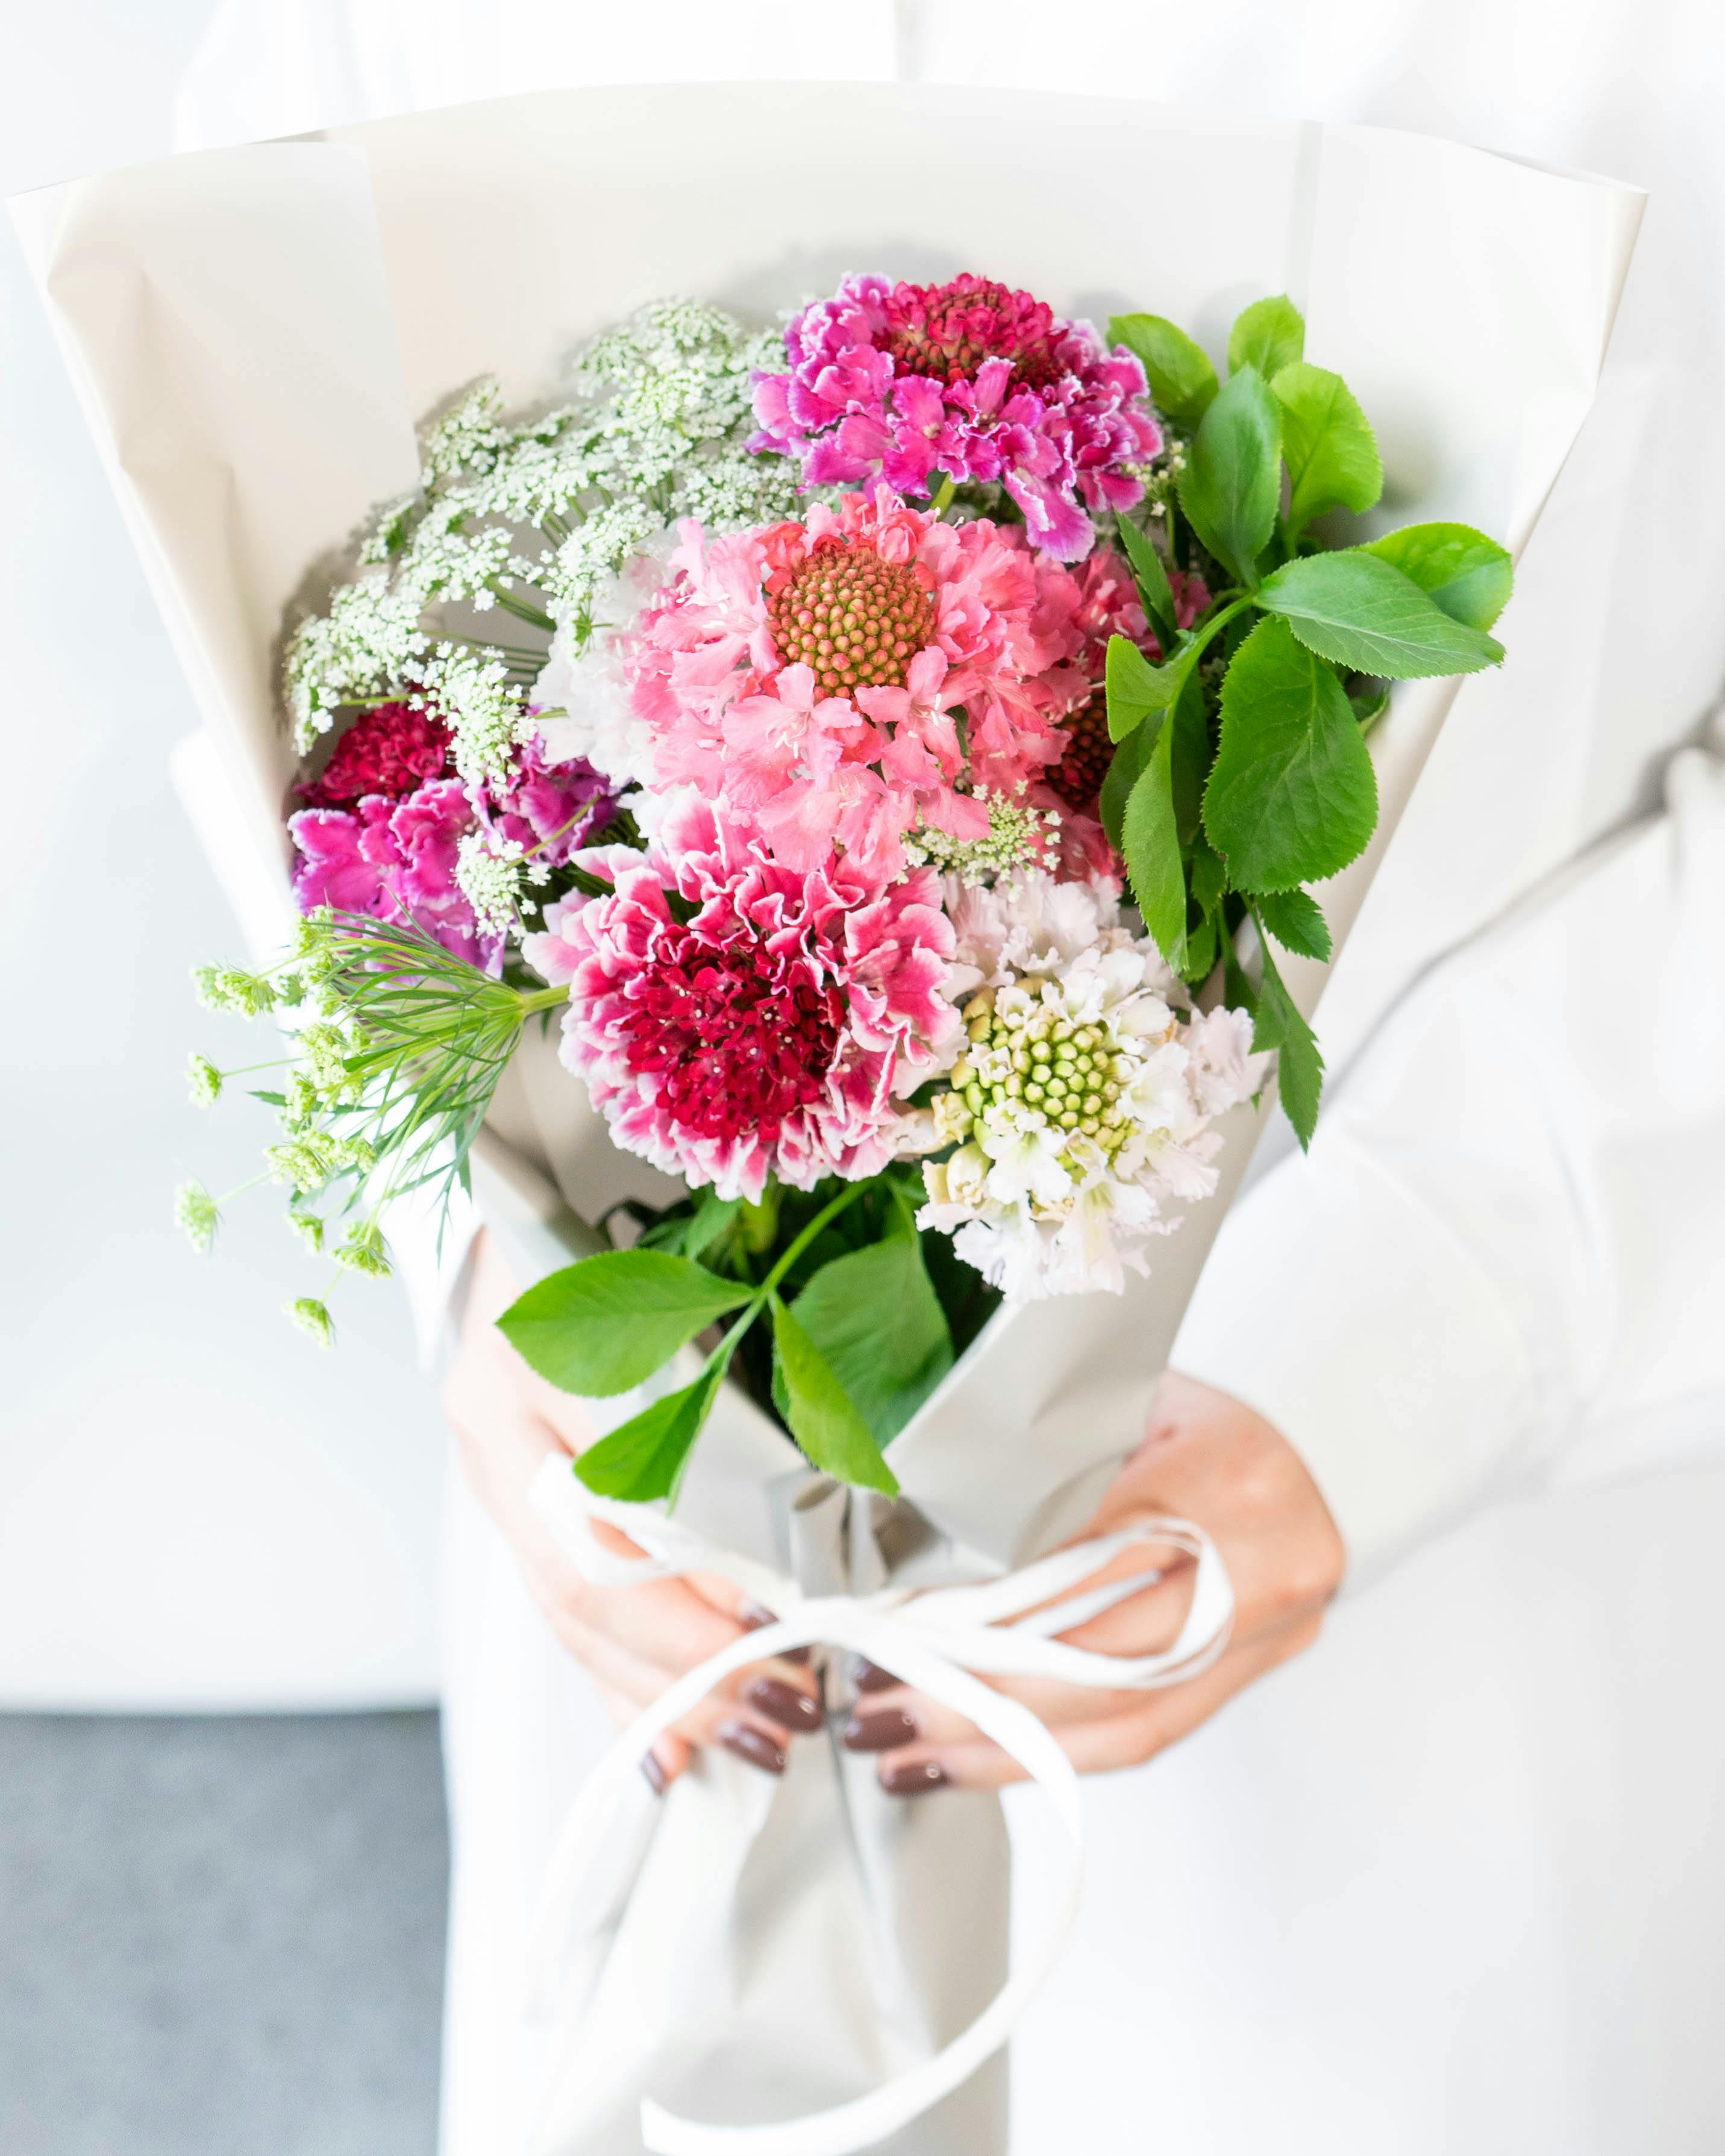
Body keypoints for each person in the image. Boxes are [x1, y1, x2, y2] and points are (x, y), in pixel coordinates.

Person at [174, 5, 1725, 2149]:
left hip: (1457, 1584)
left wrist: (1435, 1321)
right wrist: (476, 1233)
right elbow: (290, 534)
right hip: (664, 1517)